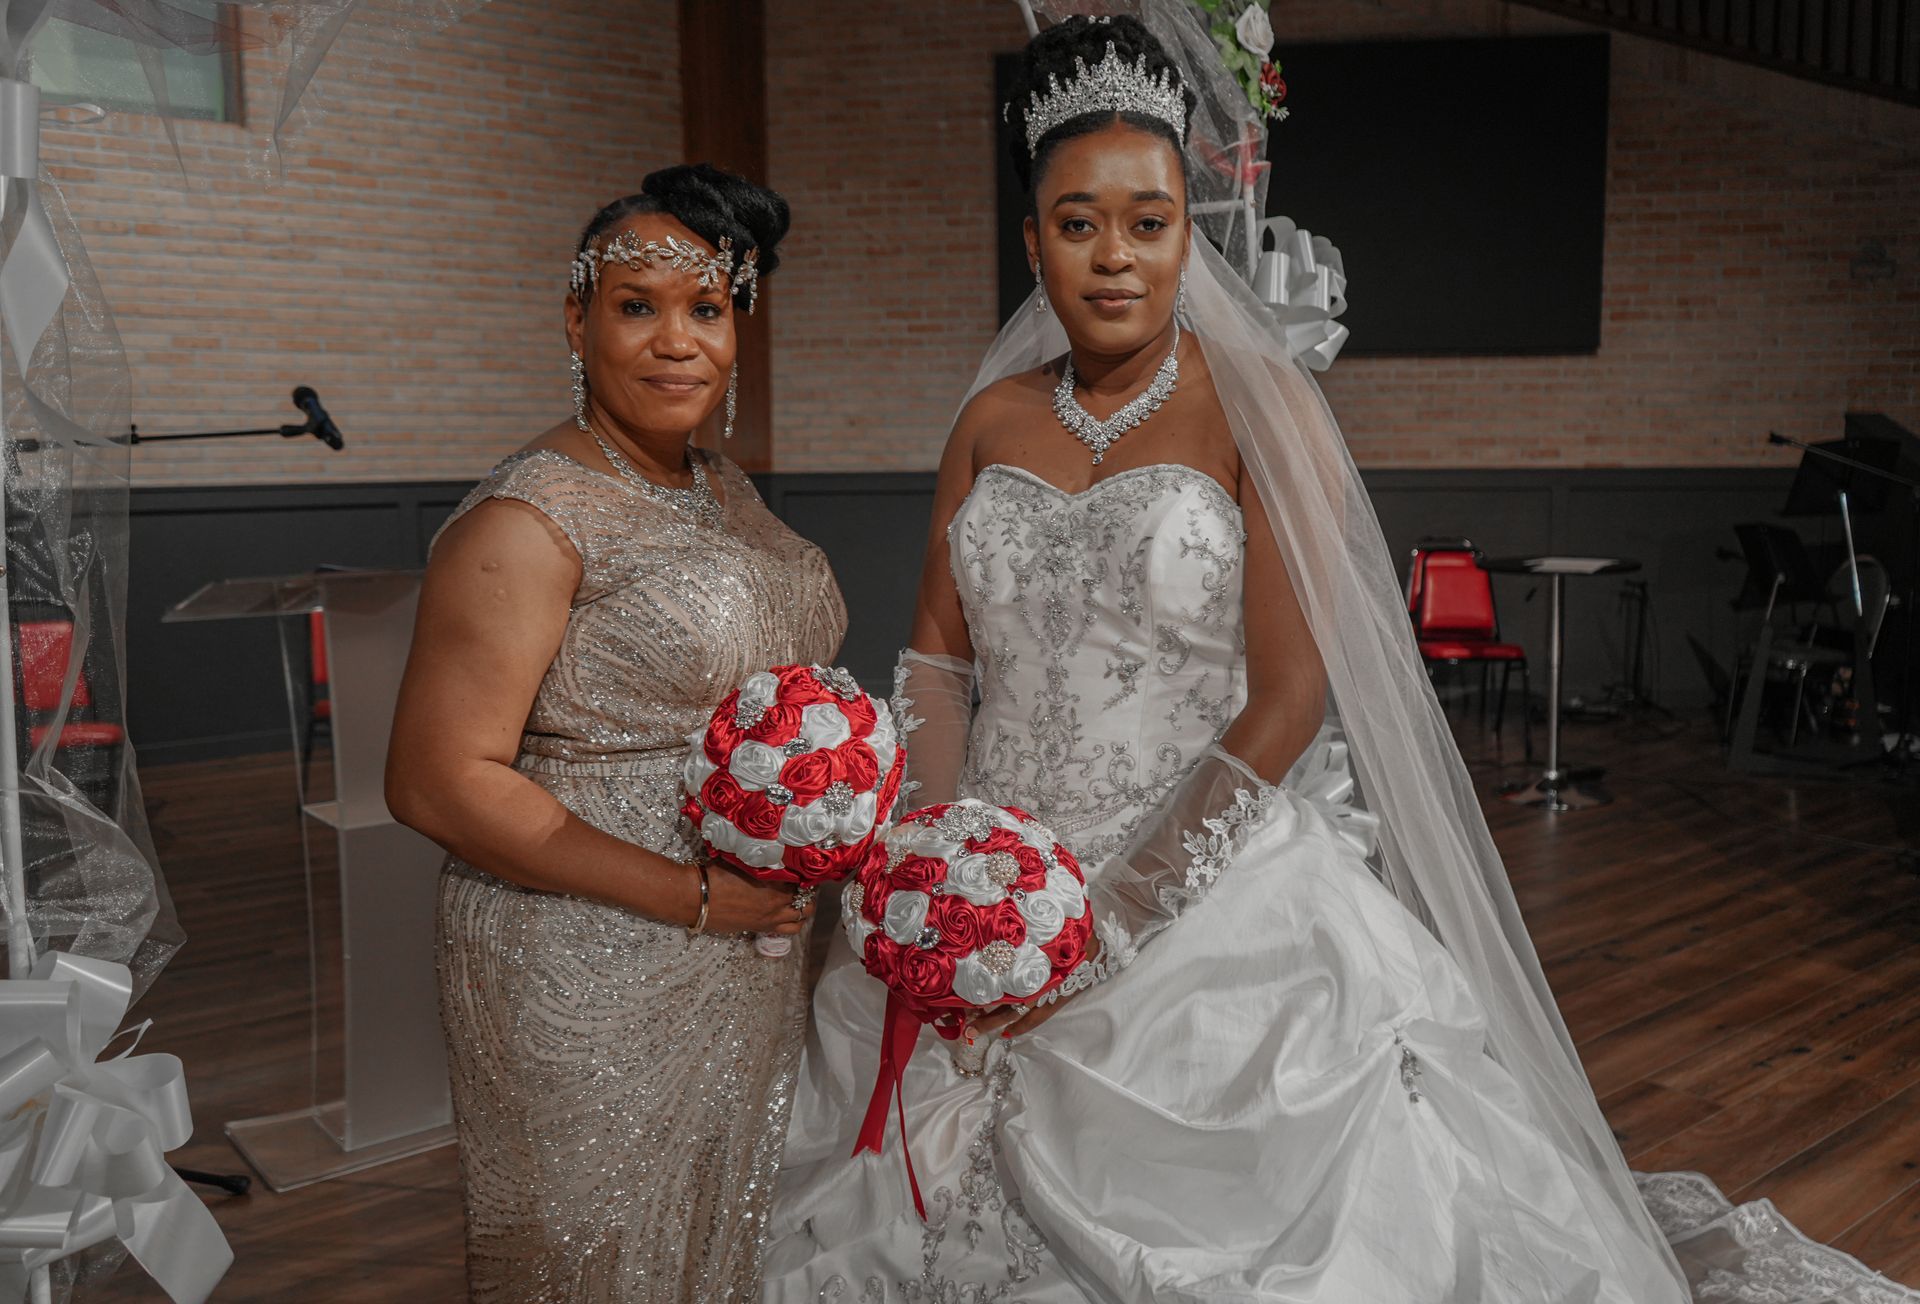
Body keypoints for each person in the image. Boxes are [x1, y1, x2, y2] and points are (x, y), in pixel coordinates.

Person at [764, 13, 1920, 1303]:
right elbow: (934, 656)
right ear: (1031, 240)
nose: (1113, 256)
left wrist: (1109, 916)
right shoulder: (988, 419)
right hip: (994, 869)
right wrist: (942, 855)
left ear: (1187, 234)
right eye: (1076, 222)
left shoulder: (1260, 408)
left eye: (1147, 221)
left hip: (1200, 886)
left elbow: (1290, 697)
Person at [387, 164, 845, 1302]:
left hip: (741, 955)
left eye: (707, 308)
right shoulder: (528, 516)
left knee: (716, 1241)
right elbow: (437, 781)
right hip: (579, 955)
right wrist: (689, 894)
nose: (674, 340)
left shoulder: (723, 491)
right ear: (576, 316)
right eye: (637, 305)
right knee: (589, 1255)